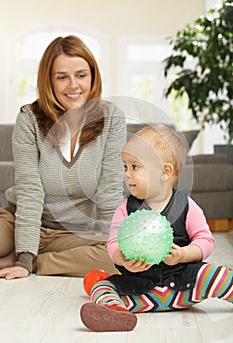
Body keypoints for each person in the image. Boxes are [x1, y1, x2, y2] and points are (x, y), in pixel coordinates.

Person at [80, 124, 233, 332]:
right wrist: (121, 258)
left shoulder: (186, 206)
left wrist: (184, 254)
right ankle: (117, 311)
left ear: (165, 171)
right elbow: (113, 242)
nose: (127, 174)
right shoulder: (125, 209)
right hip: (141, 290)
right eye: (125, 167)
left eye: (135, 167)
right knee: (102, 286)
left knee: (216, 273)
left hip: (184, 285)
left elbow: (205, 240)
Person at [0, 35, 127, 280]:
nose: (73, 85)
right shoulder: (29, 118)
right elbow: (29, 190)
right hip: (21, 223)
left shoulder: (111, 118)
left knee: (120, 259)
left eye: (81, 75)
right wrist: (26, 249)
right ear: (49, 80)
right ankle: (22, 252)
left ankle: (38, 262)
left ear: (93, 76)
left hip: (75, 233)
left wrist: (111, 242)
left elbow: (110, 189)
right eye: (62, 77)